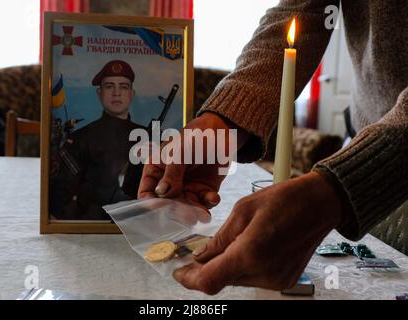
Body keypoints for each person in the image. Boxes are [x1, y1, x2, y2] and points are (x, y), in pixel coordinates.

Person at [138, 0, 408, 294]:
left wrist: (339, 188)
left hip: (371, 166)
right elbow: (302, 12)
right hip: (367, 162)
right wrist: (225, 121)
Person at [50, 59, 145, 220]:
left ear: (131, 94)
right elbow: (60, 195)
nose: (116, 93)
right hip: (92, 226)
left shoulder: (148, 137)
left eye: (123, 86)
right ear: (99, 93)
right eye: (109, 86)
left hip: (140, 223)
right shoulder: (80, 139)